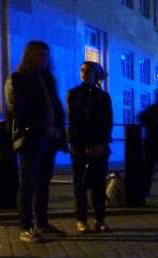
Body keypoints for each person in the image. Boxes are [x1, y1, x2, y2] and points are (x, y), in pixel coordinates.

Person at [5, 41, 67, 243]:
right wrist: (42, 129)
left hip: (48, 140)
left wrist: (58, 132)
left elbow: (56, 109)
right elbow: (18, 112)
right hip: (31, 139)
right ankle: (26, 226)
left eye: (46, 55)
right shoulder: (18, 79)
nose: (44, 59)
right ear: (29, 56)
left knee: (43, 184)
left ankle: (42, 222)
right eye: (40, 55)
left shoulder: (47, 80)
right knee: (28, 184)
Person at [66, 61, 113, 234]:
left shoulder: (103, 96)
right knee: (80, 184)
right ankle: (81, 220)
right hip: (80, 147)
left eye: (88, 71)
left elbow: (107, 122)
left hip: (99, 146)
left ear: (96, 74)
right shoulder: (74, 94)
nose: (84, 73)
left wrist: (101, 144)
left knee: (99, 185)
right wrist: (80, 145)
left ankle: (100, 219)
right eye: (82, 70)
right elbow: (73, 122)